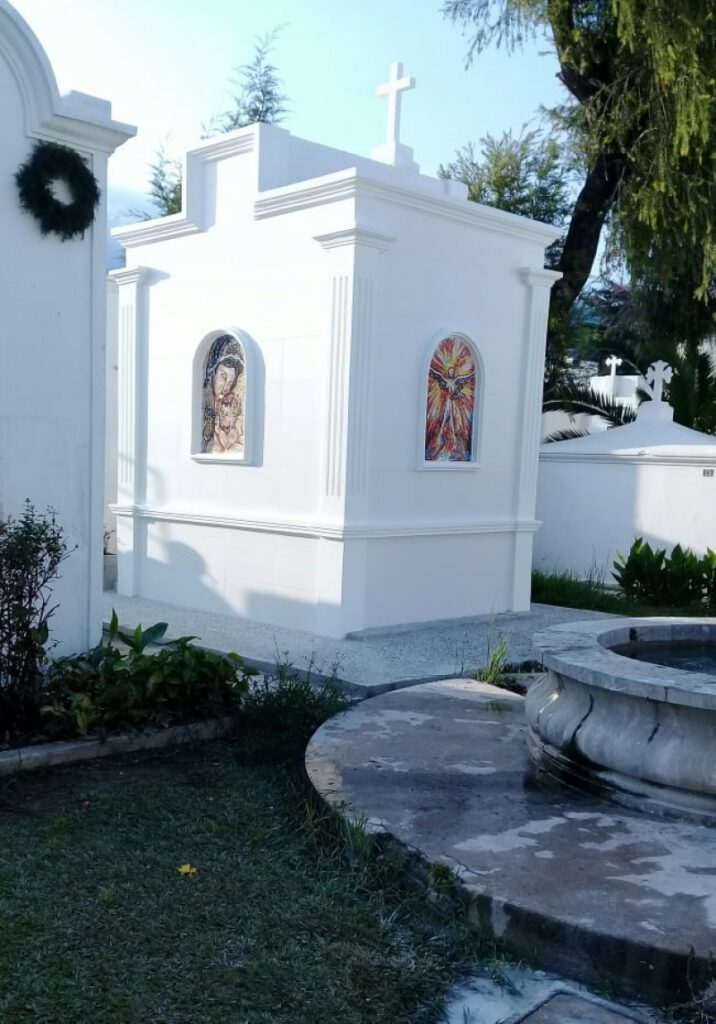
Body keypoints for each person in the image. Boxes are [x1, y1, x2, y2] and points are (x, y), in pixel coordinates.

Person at [201, 335, 245, 454]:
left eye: (230, 382)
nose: (226, 387)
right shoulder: (204, 402)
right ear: (212, 372)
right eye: (223, 376)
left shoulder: (227, 403)